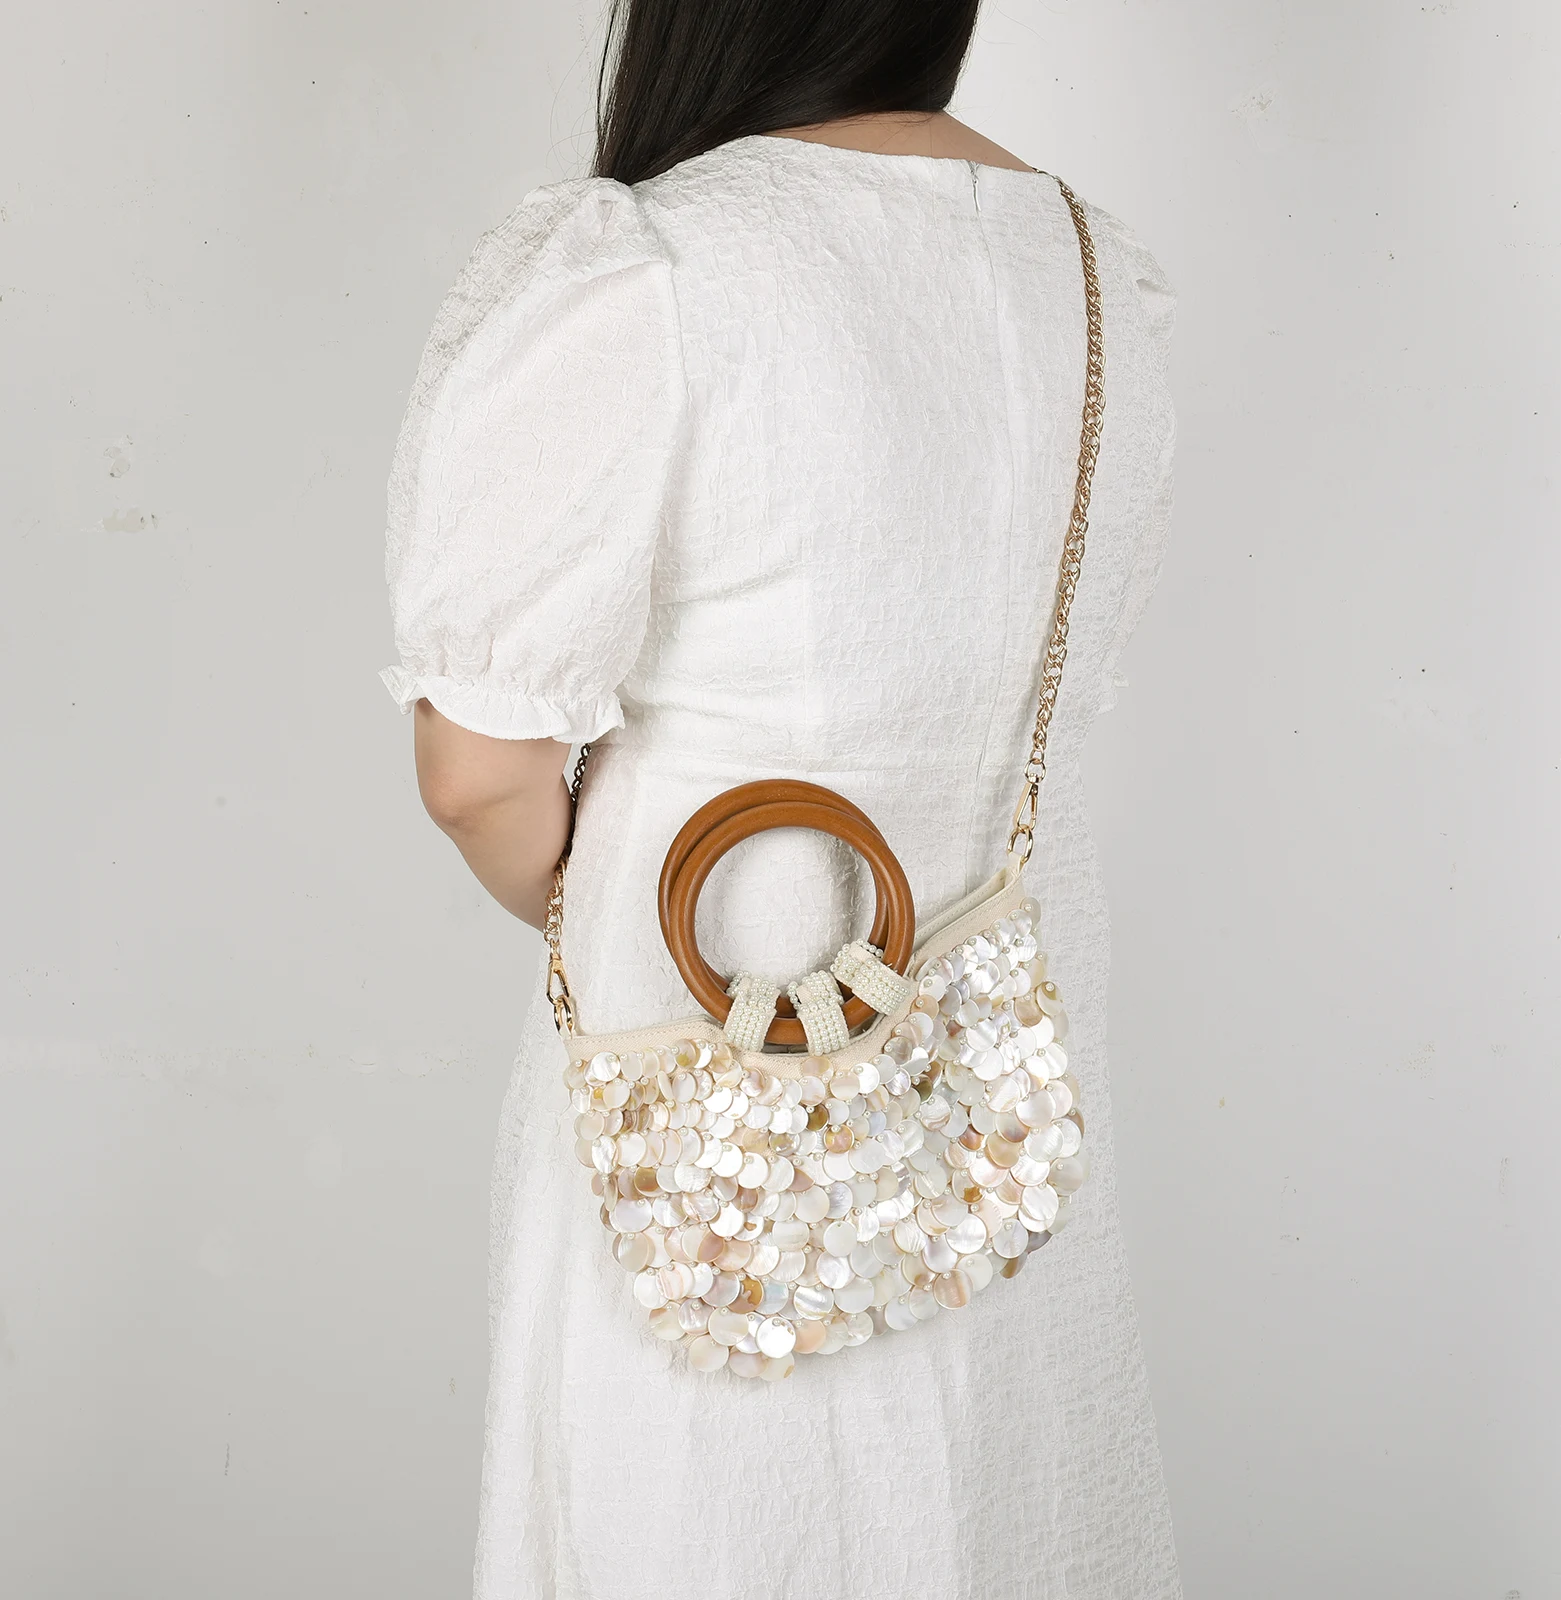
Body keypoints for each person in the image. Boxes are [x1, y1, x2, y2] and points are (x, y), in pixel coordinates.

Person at [381, 1, 1181, 1594]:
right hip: (985, 1126)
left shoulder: (653, 271)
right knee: (982, 1509)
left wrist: (582, 900)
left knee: (707, 1512)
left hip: (701, 1094)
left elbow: (478, 774)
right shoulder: (1098, 277)